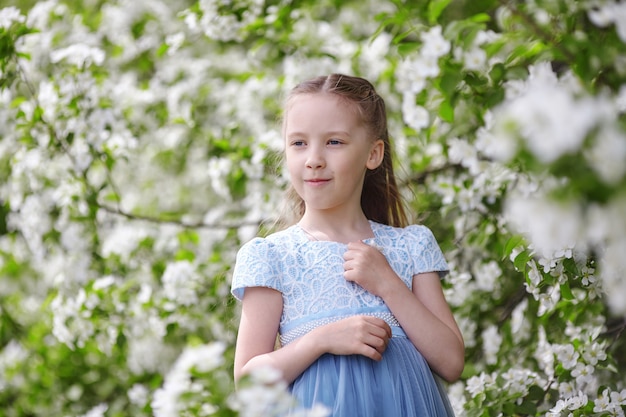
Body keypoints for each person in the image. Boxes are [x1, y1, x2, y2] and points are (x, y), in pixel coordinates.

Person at [231, 74, 464, 416]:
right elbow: (248, 383)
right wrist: (320, 340)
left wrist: (388, 284)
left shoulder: (410, 245)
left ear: (373, 153)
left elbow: (451, 361)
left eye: (334, 142)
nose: (313, 159)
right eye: (298, 143)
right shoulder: (272, 256)